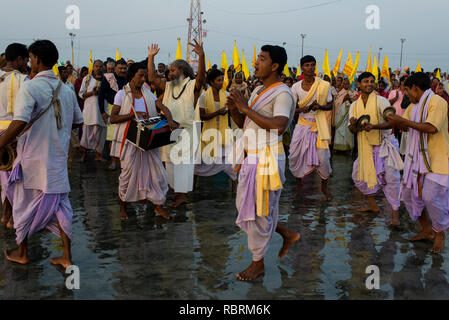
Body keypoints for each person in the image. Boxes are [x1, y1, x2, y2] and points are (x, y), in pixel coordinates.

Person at [0, 40, 83, 267]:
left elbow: (19, 123)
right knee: (62, 206)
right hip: (57, 160)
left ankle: (23, 252)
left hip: (33, 159)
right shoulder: (66, 90)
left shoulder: (31, 87)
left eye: (31, 57)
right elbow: (78, 121)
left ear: (36, 59)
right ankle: (66, 256)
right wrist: (58, 132)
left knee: (22, 203)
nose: (29, 61)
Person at [227, 45, 300, 281]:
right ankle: (286, 233)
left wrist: (244, 106)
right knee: (249, 208)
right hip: (252, 156)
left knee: (258, 213)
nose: (255, 62)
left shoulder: (283, 93)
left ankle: (257, 264)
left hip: (267, 157)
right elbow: (245, 124)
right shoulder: (258, 88)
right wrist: (235, 110)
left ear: (275, 65)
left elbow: (279, 125)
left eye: (261, 59)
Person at [388, 72, 449, 253]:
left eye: (407, 90)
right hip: (416, 160)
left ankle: (440, 234)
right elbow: (405, 124)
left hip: (436, 159)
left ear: (415, 88)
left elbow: (431, 127)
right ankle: (426, 230)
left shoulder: (437, 102)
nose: (406, 94)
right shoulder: (414, 106)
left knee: (431, 197)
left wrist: (402, 121)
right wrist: (392, 120)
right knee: (409, 195)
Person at [110, 63, 175, 221]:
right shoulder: (121, 94)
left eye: (144, 76)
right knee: (127, 175)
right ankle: (123, 207)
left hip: (148, 141)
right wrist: (132, 115)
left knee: (157, 174)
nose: (143, 79)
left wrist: (170, 119)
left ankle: (158, 206)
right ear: (131, 76)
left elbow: (163, 107)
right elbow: (113, 118)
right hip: (129, 140)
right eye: (140, 75)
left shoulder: (148, 93)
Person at [147, 40, 206, 207]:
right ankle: (174, 193)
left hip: (185, 131)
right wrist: (150, 57)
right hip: (169, 130)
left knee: (182, 165)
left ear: (182, 71)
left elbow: (201, 78)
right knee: (170, 163)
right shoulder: (168, 86)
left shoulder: (191, 85)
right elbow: (151, 79)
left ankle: (182, 196)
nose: (169, 72)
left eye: (172, 69)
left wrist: (201, 56)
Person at [348, 72, 403, 226]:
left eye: (372, 81)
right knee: (357, 175)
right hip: (366, 147)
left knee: (392, 180)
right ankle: (373, 204)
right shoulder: (354, 105)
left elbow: (391, 122)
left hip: (385, 144)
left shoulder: (381, 101)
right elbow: (352, 130)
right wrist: (354, 125)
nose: (369, 84)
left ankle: (395, 214)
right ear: (358, 84)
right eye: (365, 81)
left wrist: (374, 126)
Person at [289, 55, 333, 199]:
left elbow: (330, 104)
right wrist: (302, 110)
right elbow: (290, 109)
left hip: (319, 125)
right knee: (294, 156)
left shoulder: (323, 85)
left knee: (324, 159)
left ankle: (324, 188)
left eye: (312, 65)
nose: (310, 68)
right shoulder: (295, 87)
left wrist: (319, 106)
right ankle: (299, 184)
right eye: (307, 65)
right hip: (302, 125)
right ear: (302, 67)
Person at [0, 43, 29, 229]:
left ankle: (5, 214)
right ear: (18, 59)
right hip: (16, 132)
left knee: (3, 176)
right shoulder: (24, 80)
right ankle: (13, 217)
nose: (27, 63)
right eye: (26, 59)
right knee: (17, 177)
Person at [194, 68, 237, 185]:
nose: (221, 82)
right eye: (218, 80)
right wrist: (218, 112)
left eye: (222, 80)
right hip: (209, 133)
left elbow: (234, 113)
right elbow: (202, 116)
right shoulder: (203, 96)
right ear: (211, 82)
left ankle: (235, 187)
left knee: (230, 161)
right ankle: (191, 187)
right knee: (199, 163)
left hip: (224, 133)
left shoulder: (227, 95)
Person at [98, 58, 127, 170]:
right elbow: (100, 95)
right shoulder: (108, 78)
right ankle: (113, 161)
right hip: (111, 110)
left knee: (123, 137)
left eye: (124, 68)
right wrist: (102, 112)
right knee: (112, 138)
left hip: (125, 110)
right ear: (115, 68)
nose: (122, 70)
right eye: (120, 68)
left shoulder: (128, 78)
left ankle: (122, 162)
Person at [79, 60, 107, 162]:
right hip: (89, 111)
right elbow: (81, 94)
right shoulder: (87, 79)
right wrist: (93, 93)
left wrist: (102, 93)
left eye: (100, 66)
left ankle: (98, 155)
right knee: (86, 134)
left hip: (102, 111)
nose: (98, 68)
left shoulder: (107, 79)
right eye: (96, 66)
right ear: (93, 67)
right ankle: (84, 155)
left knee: (101, 133)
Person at [334, 78, 356, 151]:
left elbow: (355, 103)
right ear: (342, 84)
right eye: (344, 83)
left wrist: (349, 100)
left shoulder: (352, 93)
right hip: (340, 115)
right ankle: (339, 147)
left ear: (349, 84)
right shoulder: (339, 93)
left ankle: (347, 147)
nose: (346, 85)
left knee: (347, 131)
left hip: (348, 116)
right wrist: (343, 100)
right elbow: (336, 103)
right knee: (339, 131)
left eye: (347, 83)